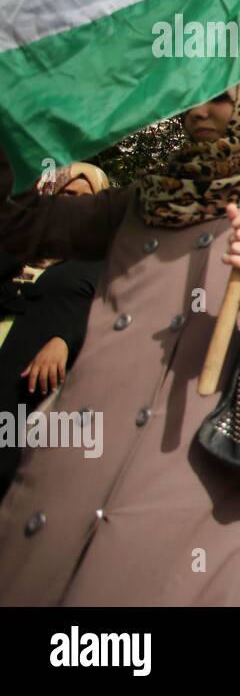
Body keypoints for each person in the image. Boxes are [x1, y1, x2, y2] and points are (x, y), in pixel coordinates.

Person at [0, 62, 240, 605]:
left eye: (217, 98)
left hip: (199, 465)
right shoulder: (151, 194)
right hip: (78, 451)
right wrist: (21, 127)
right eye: (190, 96)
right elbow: (27, 227)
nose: (197, 111)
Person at [0, 163, 109, 501]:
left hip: (24, 389)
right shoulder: (20, 243)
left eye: (85, 198)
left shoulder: (103, 262)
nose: (74, 205)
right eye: (67, 195)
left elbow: (107, 313)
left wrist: (65, 339)